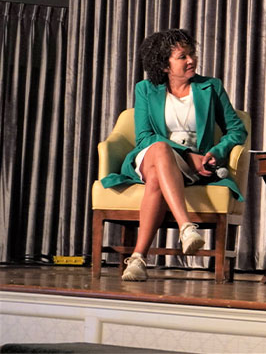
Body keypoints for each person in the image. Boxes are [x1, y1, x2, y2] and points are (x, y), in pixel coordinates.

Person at [100, 29, 248, 282]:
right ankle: (186, 226)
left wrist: (217, 151)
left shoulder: (210, 87)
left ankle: (137, 259)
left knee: (158, 177)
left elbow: (237, 130)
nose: (191, 60)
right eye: (183, 56)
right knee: (159, 150)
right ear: (164, 64)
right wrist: (188, 155)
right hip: (148, 156)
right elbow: (145, 136)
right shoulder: (146, 89)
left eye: (192, 54)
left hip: (188, 168)